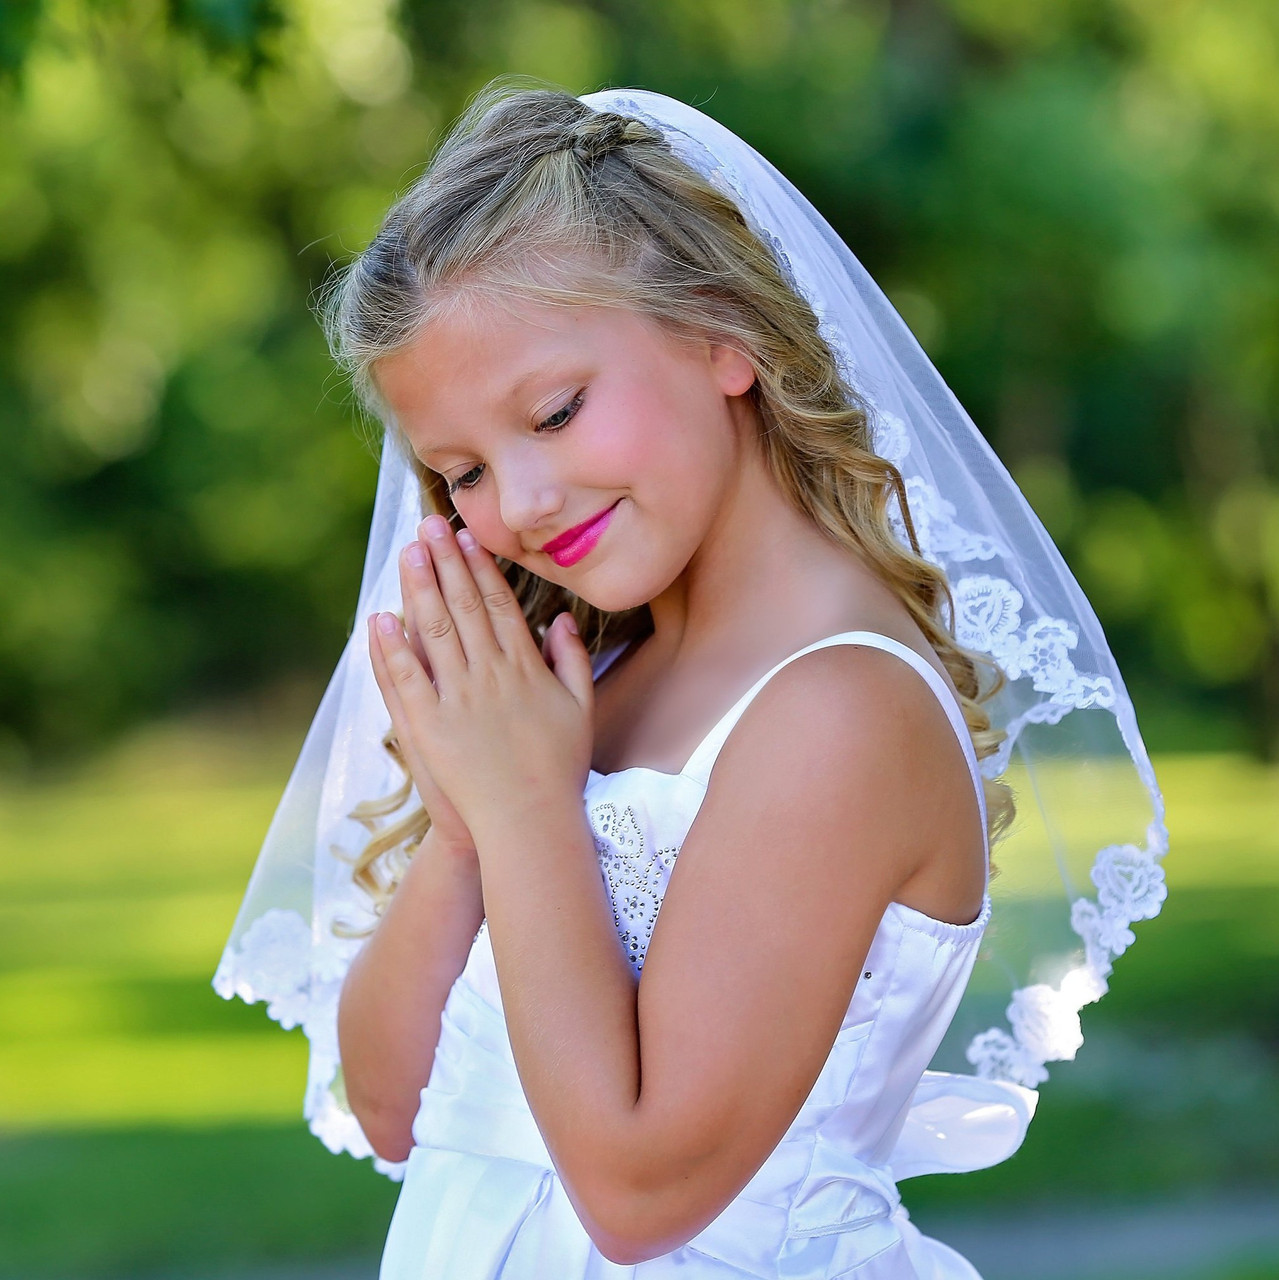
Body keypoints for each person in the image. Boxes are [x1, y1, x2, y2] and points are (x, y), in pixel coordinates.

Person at [214, 82, 1169, 1279]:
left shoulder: (837, 706)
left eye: (555, 412)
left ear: (725, 333)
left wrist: (523, 815)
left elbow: (636, 1193)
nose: (518, 502)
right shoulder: (582, 677)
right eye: (458, 469)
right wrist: (465, 830)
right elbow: (396, 1106)